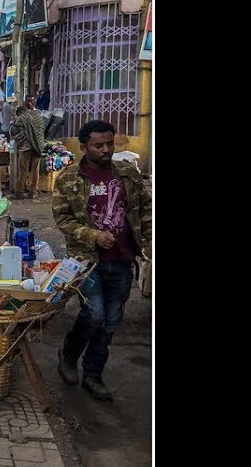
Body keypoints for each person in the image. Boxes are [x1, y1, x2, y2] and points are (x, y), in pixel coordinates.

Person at [53, 120, 152, 402]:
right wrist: (92, 235)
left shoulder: (126, 174)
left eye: (110, 144)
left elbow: (144, 208)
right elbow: (63, 219)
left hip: (122, 260)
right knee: (94, 314)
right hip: (87, 260)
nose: (106, 149)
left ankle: (94, 374)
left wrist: (148, 241)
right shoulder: (68, 178)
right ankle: (69, 355)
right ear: (84, 147)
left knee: (111, 321)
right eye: (99, 145)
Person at [10, 99, 46, 199]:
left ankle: (19, 192)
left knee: (23, 171)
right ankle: (33, 191)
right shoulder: (38, 116)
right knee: (35, 170)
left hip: (26, 148)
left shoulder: (21, 118)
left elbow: (14, 132)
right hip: (38, 146)